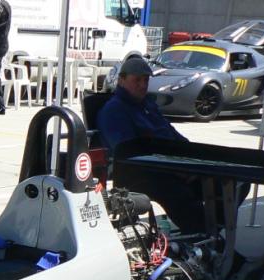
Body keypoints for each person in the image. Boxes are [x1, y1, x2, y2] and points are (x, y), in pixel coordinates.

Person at [99, 55, 244, 234]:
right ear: (122, 80)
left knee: (232, 182)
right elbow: (128, 152)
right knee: (180, 194)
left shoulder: (147, 105)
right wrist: (176, 170)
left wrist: (192, 159)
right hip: (144, 172)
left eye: (146, 80)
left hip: (172, 165)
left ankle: (210, 231)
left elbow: (173, 135)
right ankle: (202, 233)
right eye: (137, 80)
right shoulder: (114, 110)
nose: (143, 85)